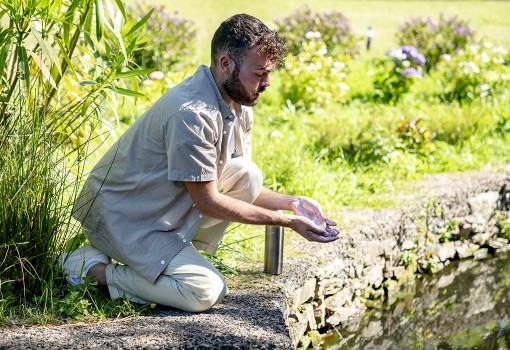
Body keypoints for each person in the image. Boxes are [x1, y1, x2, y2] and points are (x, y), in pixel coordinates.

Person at [61, 13, 339, 313]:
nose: (267, 82)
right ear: (225, 64)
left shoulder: (238, 103)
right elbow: (208, 202)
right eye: (259, 73)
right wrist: (286, 222)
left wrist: (292, 203)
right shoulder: (193, 113)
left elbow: (229, 186)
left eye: (269, 73)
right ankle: (90, 269)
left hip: (160, 209)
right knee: (205, 291)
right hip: (124, 218)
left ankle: (180, 261)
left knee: (247, 174)